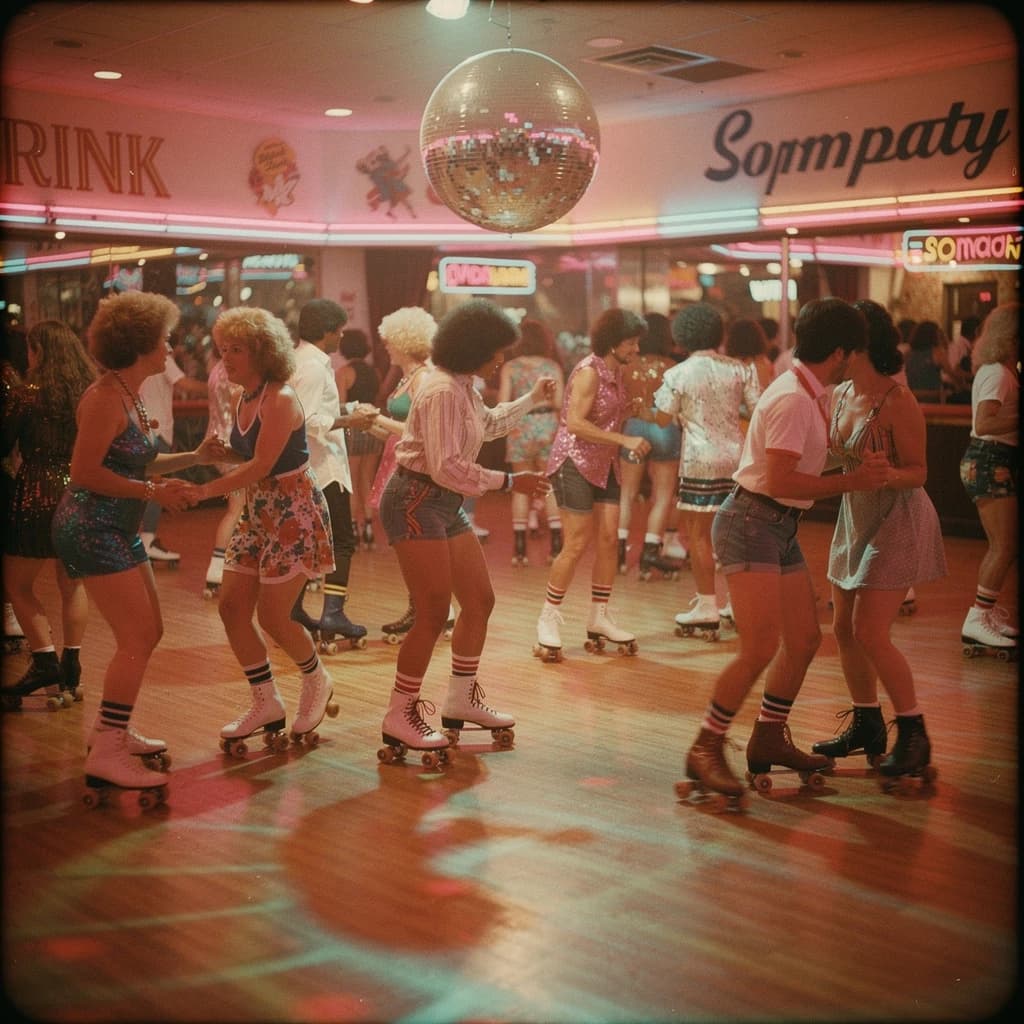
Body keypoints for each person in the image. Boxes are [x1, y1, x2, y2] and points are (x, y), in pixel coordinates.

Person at [679, 298, 890, 804]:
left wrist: (846, 466)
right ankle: (705, 747)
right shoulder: (795, 398)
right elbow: (778, 478)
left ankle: (769, 734)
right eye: (854, 352)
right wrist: (854, 479)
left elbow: (791, 476)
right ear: (839, 353)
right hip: (753, 522)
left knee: (802, 640)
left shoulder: (808, 391)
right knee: (757, 648)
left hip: (775, 523)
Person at [50, 291, 223, 792]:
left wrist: (194, 455)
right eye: (164, 339)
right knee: (138, 636)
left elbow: (136, 461)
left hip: (115, 527)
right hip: (92, 527)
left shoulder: (128, 393)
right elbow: (83, 472)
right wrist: (153, 493)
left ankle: (111, 730)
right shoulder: (104, 397)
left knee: (149, 631)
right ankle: (107, 748)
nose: (170, 348)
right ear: (141, 343)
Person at [378, 299, 554, 762]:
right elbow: (446, 467)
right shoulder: (439, 391)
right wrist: (511, 481)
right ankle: (400, 713)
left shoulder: (463, 386)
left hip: (440, 502)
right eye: (495, 351)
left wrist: (532, 399)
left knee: (478, 601)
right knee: (434, 612)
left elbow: (489, 425)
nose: (500, 360)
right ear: (474, 347)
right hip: (416, 500)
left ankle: (459, 699)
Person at [182, 306, 338, 752]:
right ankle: (265, 699)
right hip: (259, 511)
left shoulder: (282, 397)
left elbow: (264, 464)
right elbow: (249, 460)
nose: (227, 358)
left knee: (273, 616)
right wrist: (215, 453)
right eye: (223, 349)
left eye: (237, 350)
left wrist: (204, 488)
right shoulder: (243, 398)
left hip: (293, 509)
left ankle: (316, 678)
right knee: (232, 608)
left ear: (263, 352)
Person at [811, 300, 946, 785]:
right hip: (856, 513)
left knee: (870, 630)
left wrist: (882, 475)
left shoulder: (898, 400)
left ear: (860, 344)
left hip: (897, 517)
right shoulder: (842, 394)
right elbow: (832, 459)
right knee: (843, 628)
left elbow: (920, 472)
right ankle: (868, 725)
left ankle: (914, 734)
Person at [535, 308, 649, 661]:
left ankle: (599, 616)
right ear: (613, 342)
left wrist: (627, 410)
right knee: (577, 542)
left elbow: (600, 416)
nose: (635, 348)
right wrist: (623, 439)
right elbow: (574, 423)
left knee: (609, 538)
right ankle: (548, 618)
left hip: (603, 464)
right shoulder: (588, 372)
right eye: (630, 342)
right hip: (573, 463)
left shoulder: (616, 374)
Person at [1, 321, 96, 710]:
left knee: (16, 584)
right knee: (72, 583)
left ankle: (43, 660)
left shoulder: (28, 396)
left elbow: (4, 442)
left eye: (31, 350)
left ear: (39, 352)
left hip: (37, 493)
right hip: (79, 492)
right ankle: (71, 667)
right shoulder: (87, 394)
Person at [655, 303, 761, 636]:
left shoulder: (677, 374)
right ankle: (739, 603)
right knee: (736, 537)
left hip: (699, 461)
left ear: (682, 335)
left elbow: (661, 417)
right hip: (737, 460)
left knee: (699, 536)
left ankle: (706, 605)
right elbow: (759, 410)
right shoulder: (741, 369)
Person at [288, 299, 378, 651]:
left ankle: (293, 611)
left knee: (308, 544)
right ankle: (333, 613)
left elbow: (310, 410)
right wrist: (348, 420)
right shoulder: (312, 366)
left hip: (310, 467)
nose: (342, 335)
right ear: (326, 330)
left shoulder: (302, 360)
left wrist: (349, 410)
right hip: (322, 468)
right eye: (338, 329)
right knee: (341, 541)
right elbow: (307, 420)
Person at [367, 306, 437, 643]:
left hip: (410, 465)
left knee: (411, 540)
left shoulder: (422, 377)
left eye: (389, 342)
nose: (386, 348)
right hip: (395, 460)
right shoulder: (408, 377)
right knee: (406, 540)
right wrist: (373, 425)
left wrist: (376, 420)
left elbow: (416, 431)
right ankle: (421, 606)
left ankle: (426, 608)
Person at [958, 303, 1019, 653]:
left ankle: (985, 613)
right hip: (989, 459)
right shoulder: (997, 373)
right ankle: (978, 618)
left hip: (990, 460)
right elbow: (985, 423)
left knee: (1004, 544)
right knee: (1005, 544)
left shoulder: (998, 370)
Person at [616, 311, 682, 580]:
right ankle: (650, 554)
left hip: (634, 427)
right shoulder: (673, 366)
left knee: (627, 494)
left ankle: (619, 555)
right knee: (663, 494)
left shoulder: (627, 365)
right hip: (664, 426)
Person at [496, 317, 565, 567]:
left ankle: (520, 550)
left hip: (520, 427)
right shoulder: (552, 367)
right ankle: (556, 546)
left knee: (521, 487)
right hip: (547, 424)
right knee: (548, 486)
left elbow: (504, 402)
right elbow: (560, 404)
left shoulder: (511, 368)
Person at [137, 338, 207, 564]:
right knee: (155, 488)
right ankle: (146, 541)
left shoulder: (138, 352)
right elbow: (183, 383)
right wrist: (217, 388)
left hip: (142, 427)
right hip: (157, 430)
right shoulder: (159, 353)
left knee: (145, 487)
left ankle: (140, 540)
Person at [201, 341, 245, 598]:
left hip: (217, 440)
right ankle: (219, 570)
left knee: (239, 509)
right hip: (235, 447)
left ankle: (220, 571)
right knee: (237, 510)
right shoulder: (235, 373)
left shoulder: (216, 369)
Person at [335, 327, 382, 550]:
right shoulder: (374, 372)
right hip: (372, 427)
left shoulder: (343, 372)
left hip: (352, 428)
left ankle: (354, 528)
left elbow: (341, 407)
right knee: (367, 480)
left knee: (352, 481)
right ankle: (370, 528)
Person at [904, 320, 947, 402]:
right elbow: (951, 373)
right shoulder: (937, 352)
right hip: (932, 395)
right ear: (933, 335)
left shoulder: (908, 353)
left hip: (912, 395)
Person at [945, 314, 981, 405]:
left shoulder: (969, 346)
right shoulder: (957, 346)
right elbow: (953, 370)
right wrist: (974, 377)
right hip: (955, 392)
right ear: (976, 331)